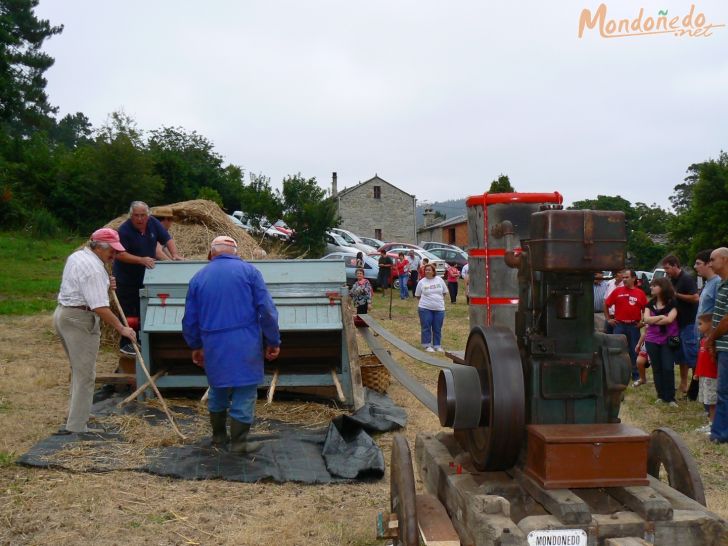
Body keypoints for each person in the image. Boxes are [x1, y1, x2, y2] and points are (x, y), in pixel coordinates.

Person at [182, 235, 281, 454]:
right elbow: (266, 310)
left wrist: (195, 345)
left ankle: (218, 438)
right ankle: (239, 443)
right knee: (244, 392)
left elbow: (190, 318)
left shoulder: (198, 278)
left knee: (218, 389)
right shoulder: (250, 272)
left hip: (213, 343)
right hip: (245, 341)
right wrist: (273, 340)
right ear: (235, 252)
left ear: (212, 253)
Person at [54, 228, 137, 433]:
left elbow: (84, 287)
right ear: (99, 247)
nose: (115, 255)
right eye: (112, 251)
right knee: (85, 374)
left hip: (64, 315)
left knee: (78, 370)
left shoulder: (79, 256)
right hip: (79, 320)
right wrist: (122, 328)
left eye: (117, 251)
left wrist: (106, 284)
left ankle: (78, 414)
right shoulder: (94, 269)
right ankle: (77, 426)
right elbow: (99, 307)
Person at [113, 201, 181, 354]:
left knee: (144, 310)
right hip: (127, 278)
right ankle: (127, 343)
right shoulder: (124, 230)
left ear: (148, 215)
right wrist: (141, 259)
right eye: (136, 216)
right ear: (131, 216)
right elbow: (120, 254)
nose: (140, 219)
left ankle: (144, 341)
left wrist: (175, 254)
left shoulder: (153, 224)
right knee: (129, 312)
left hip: (147, 278)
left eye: (143, 215)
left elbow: (167, 239)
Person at [639, 277, 679, 407]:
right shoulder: (649, 304)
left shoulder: (673, 303)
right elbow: (645, 319)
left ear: (662, 287)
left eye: (654, 286)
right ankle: (661, 395)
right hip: (652, 340)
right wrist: (661, 316)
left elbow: (669, 320)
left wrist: (654, 319)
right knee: (657, 368)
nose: (651, 288)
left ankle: (671, 397)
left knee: (668, 367)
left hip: (668, 339)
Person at [662, 255, 698, 397]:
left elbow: (695, 298)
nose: (666, 271)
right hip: (675, 326)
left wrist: (676, 294)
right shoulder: (672, 280)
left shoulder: (687, 279)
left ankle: (695, 387)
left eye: (667, 268)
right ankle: (683, 383)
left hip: (688, 325)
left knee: (692, 355)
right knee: (679, 355)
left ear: (676, 265)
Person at [604, 269, 647, 383]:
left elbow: (647, 309)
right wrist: (609, 319)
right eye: (623, 277)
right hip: (619, 325)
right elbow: (606, 303)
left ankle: (636, 375)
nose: (624, 279)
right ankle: (616, 374)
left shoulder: (640, 293)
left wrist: (643, 322)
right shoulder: (617, 291)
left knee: (634, 350)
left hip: (633, 326)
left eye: (627, 277)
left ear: (634, 278)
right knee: (617, 349)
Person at [706, 247, 728, 444]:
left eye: (713, 260)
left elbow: (726, 320)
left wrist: (712, 338)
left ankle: (720, 434)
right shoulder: (722, 284)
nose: (710, 264)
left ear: (724, 259)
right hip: (723, 345)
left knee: (724, 391)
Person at [415, 263, 448, 352]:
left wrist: (437, 300)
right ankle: (427, 345)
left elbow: (444, 292)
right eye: (426, 270)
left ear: (433, 271)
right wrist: (427, 301)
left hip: (439, 308)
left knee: (437, 327)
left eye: (429, 270)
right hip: (425, 308)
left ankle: (437, 345)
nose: (427, 271)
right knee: (426, 326)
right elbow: (418, 295)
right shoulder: (422, 282)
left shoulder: (439, 280)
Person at [694, 313, 717, 434]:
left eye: (700, 324)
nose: (698, 327)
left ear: (710, 324)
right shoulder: (703, 341)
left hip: (712, 377)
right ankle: (710, 423)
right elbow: (700, 359)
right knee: (707, 401)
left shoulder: (714, 342)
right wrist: (697, 373)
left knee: (713, 402)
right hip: (704, 376)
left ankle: (713, 425)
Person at [695, 249, 720, 318]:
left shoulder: (718, 283)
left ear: (709, 263)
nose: (695, 266)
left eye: (698, 263)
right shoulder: (707, 282)